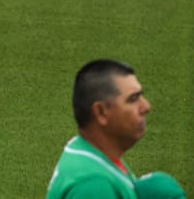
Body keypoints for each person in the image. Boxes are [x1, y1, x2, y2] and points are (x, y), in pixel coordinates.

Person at [47, 59, 151, 199]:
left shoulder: (94, 153)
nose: (146, 107)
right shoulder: (94, 185)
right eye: (133, 99)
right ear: (101, 112)